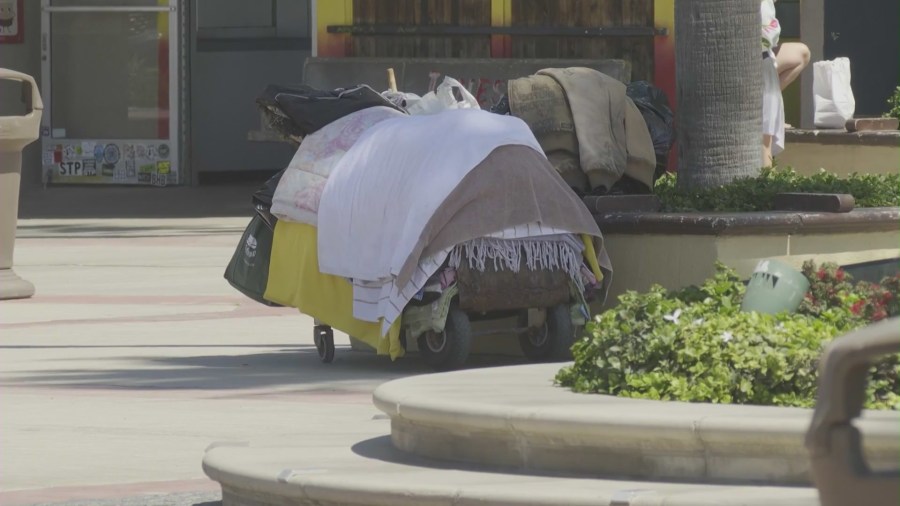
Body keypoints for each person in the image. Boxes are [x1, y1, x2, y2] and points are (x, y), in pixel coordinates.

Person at [761, 0, 811, 166]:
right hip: (756, 62)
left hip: (765, 57)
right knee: (764, 143)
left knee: (801, 53)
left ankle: (773, 110)